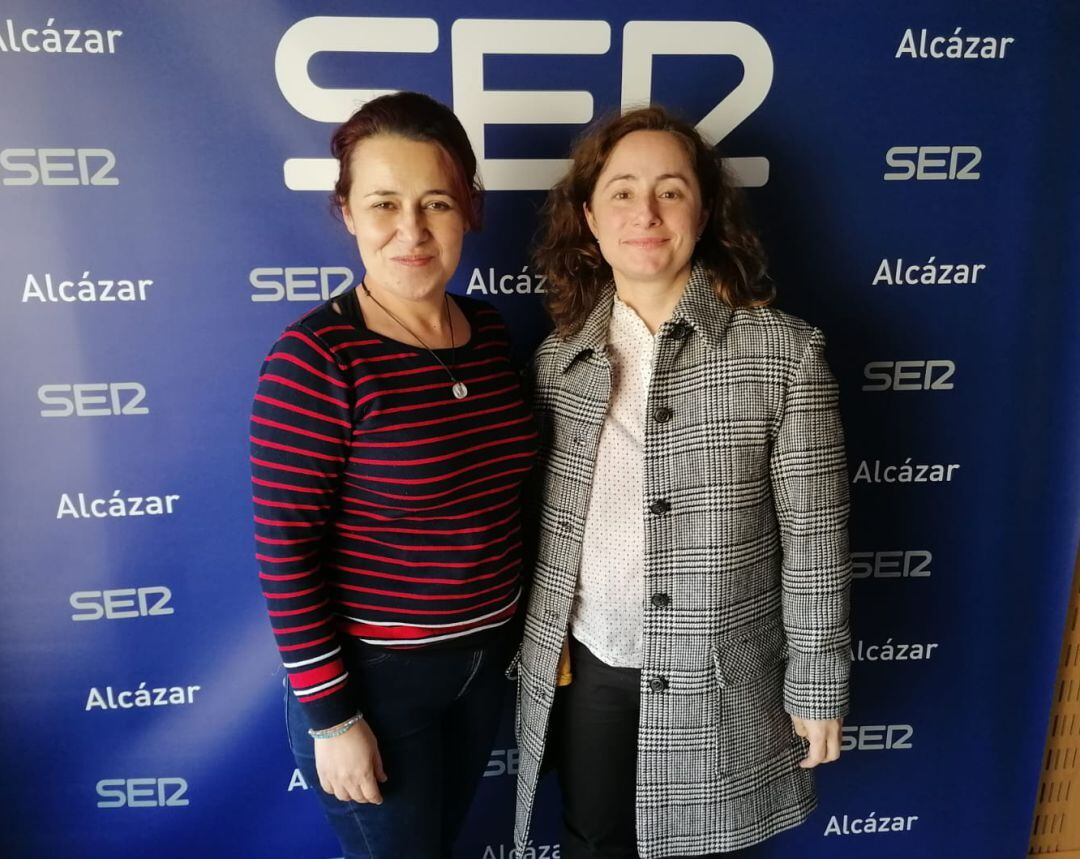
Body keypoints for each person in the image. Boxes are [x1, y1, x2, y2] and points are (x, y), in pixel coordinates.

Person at [513, 105, 852, 859]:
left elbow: (816, 545)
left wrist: (819, 685)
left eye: (671, 189)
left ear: (705, 212)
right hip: (594, 662)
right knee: (592, 841)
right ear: (590, 218)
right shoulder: (557, 360)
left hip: (720, 676)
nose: (646, 212)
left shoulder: (783, 355)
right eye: (623, 191)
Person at [250, 91, 538, 859]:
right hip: (377, 684)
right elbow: (285, 549)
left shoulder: (490, 334)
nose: (411, 230)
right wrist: (335, 720)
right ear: (346, 211)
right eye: (383, 203)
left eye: (435, 203)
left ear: (469, 210)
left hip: (485, 667)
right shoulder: (317, 359)